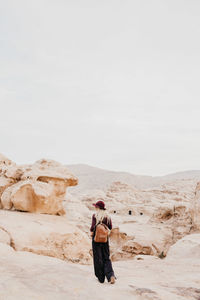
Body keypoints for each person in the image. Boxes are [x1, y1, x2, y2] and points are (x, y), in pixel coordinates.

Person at [90, 200, 116, 284]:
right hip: (105, 238)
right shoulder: (107, 216)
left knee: (98, 257)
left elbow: (92, 227)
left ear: (98, 207)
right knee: (106, 256)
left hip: (96, 239)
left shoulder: (95, 215)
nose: (95, 207)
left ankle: (101, 278)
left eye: (96, 206)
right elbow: (110, 227)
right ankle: (110, 275)